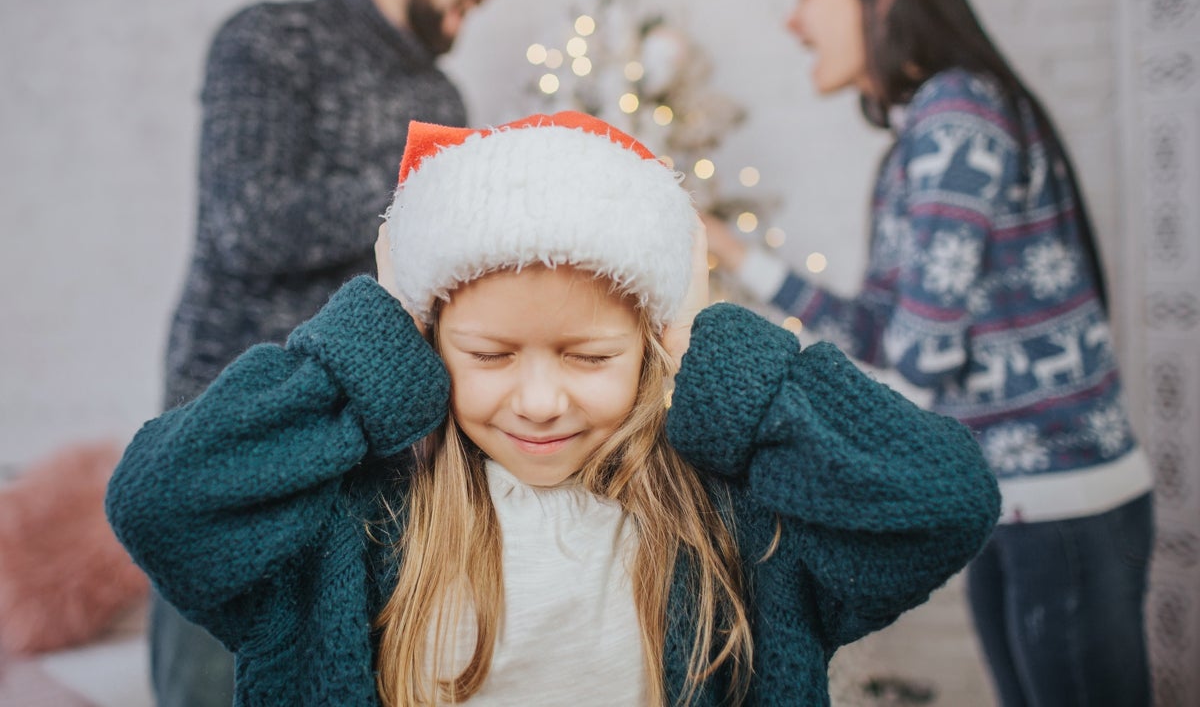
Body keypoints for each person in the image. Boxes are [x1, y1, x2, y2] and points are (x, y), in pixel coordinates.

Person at [108, 112, 1001, 706]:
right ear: (424, 349)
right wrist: (373, 336)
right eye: (490, 356)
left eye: (589, 356)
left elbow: (942, 499)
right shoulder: (357, 532)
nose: (539, 401)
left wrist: (708, 346)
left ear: (651, 348)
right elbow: (160, 499)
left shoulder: (734, 527)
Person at [703, 0, 1155, 707]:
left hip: (1062, 502)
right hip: (1019, 503)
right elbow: (886, 325)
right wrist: (738, 255)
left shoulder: (955, 118)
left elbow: (918, 357)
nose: (793, 18)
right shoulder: (924, 134)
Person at [152, 0, 508, 704]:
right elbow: (247, 222)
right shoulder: (271, 39)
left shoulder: (439, 92)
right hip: (241, 405)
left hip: (372, 429)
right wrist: (424, 186)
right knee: (213, 675)